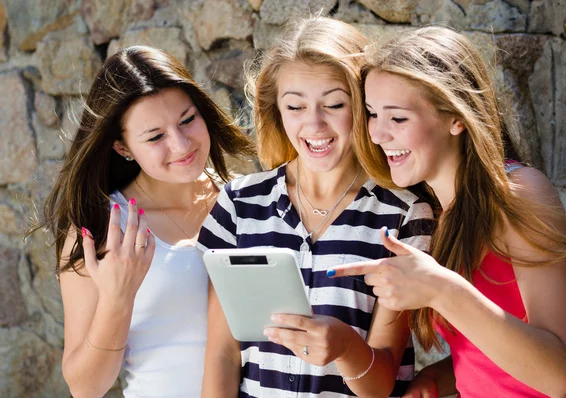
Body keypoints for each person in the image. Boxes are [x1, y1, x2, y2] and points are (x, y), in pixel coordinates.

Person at [329, 27, 566, 397]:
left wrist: (441, 289)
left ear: (456, 118)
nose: (377, 134)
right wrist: (438, 377)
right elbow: (496, 351)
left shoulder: (518, 193)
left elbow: (559, 374)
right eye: (372, 114)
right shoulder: (436, 212)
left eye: (398, 119)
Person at [198, 16, 434, 398]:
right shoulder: (238, 206)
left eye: (335, 104)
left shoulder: (405, 215)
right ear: (276, 109)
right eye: (295, 106)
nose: (314, 124)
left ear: (362, 106)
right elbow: (222, 355)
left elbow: (382, 383)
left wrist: (345, 348)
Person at [33, 46, 255, 397]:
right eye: (155, 137)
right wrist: (117, 297)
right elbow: (85, 387)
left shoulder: (247, 203)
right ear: (123, 147)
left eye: (187, 120)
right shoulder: (102, 227)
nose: (181, 144)